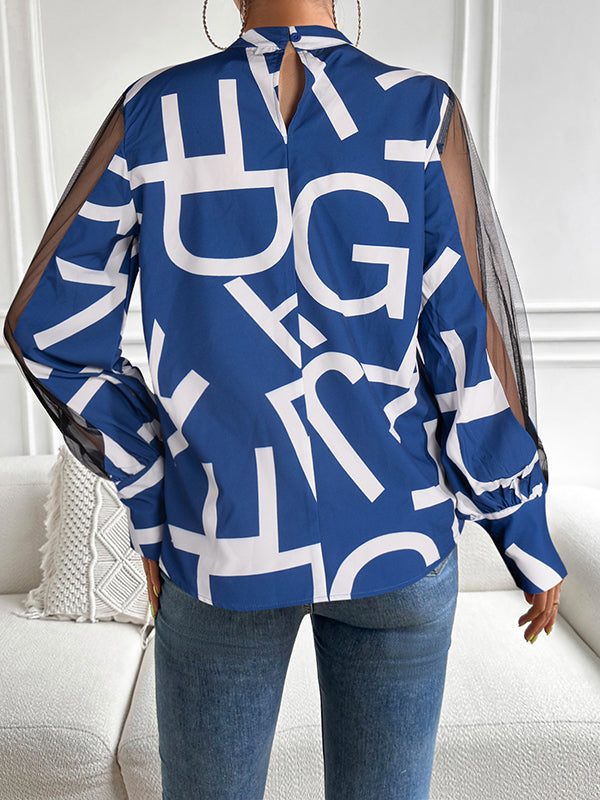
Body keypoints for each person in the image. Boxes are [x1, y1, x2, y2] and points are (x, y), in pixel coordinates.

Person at [3, 0, 568, 797]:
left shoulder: (157, 111)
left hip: (222, 544)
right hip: (397, 539)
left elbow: (47, 328)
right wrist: (524, 532)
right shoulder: (418, 110)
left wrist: (156, 493)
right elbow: (467, 347)